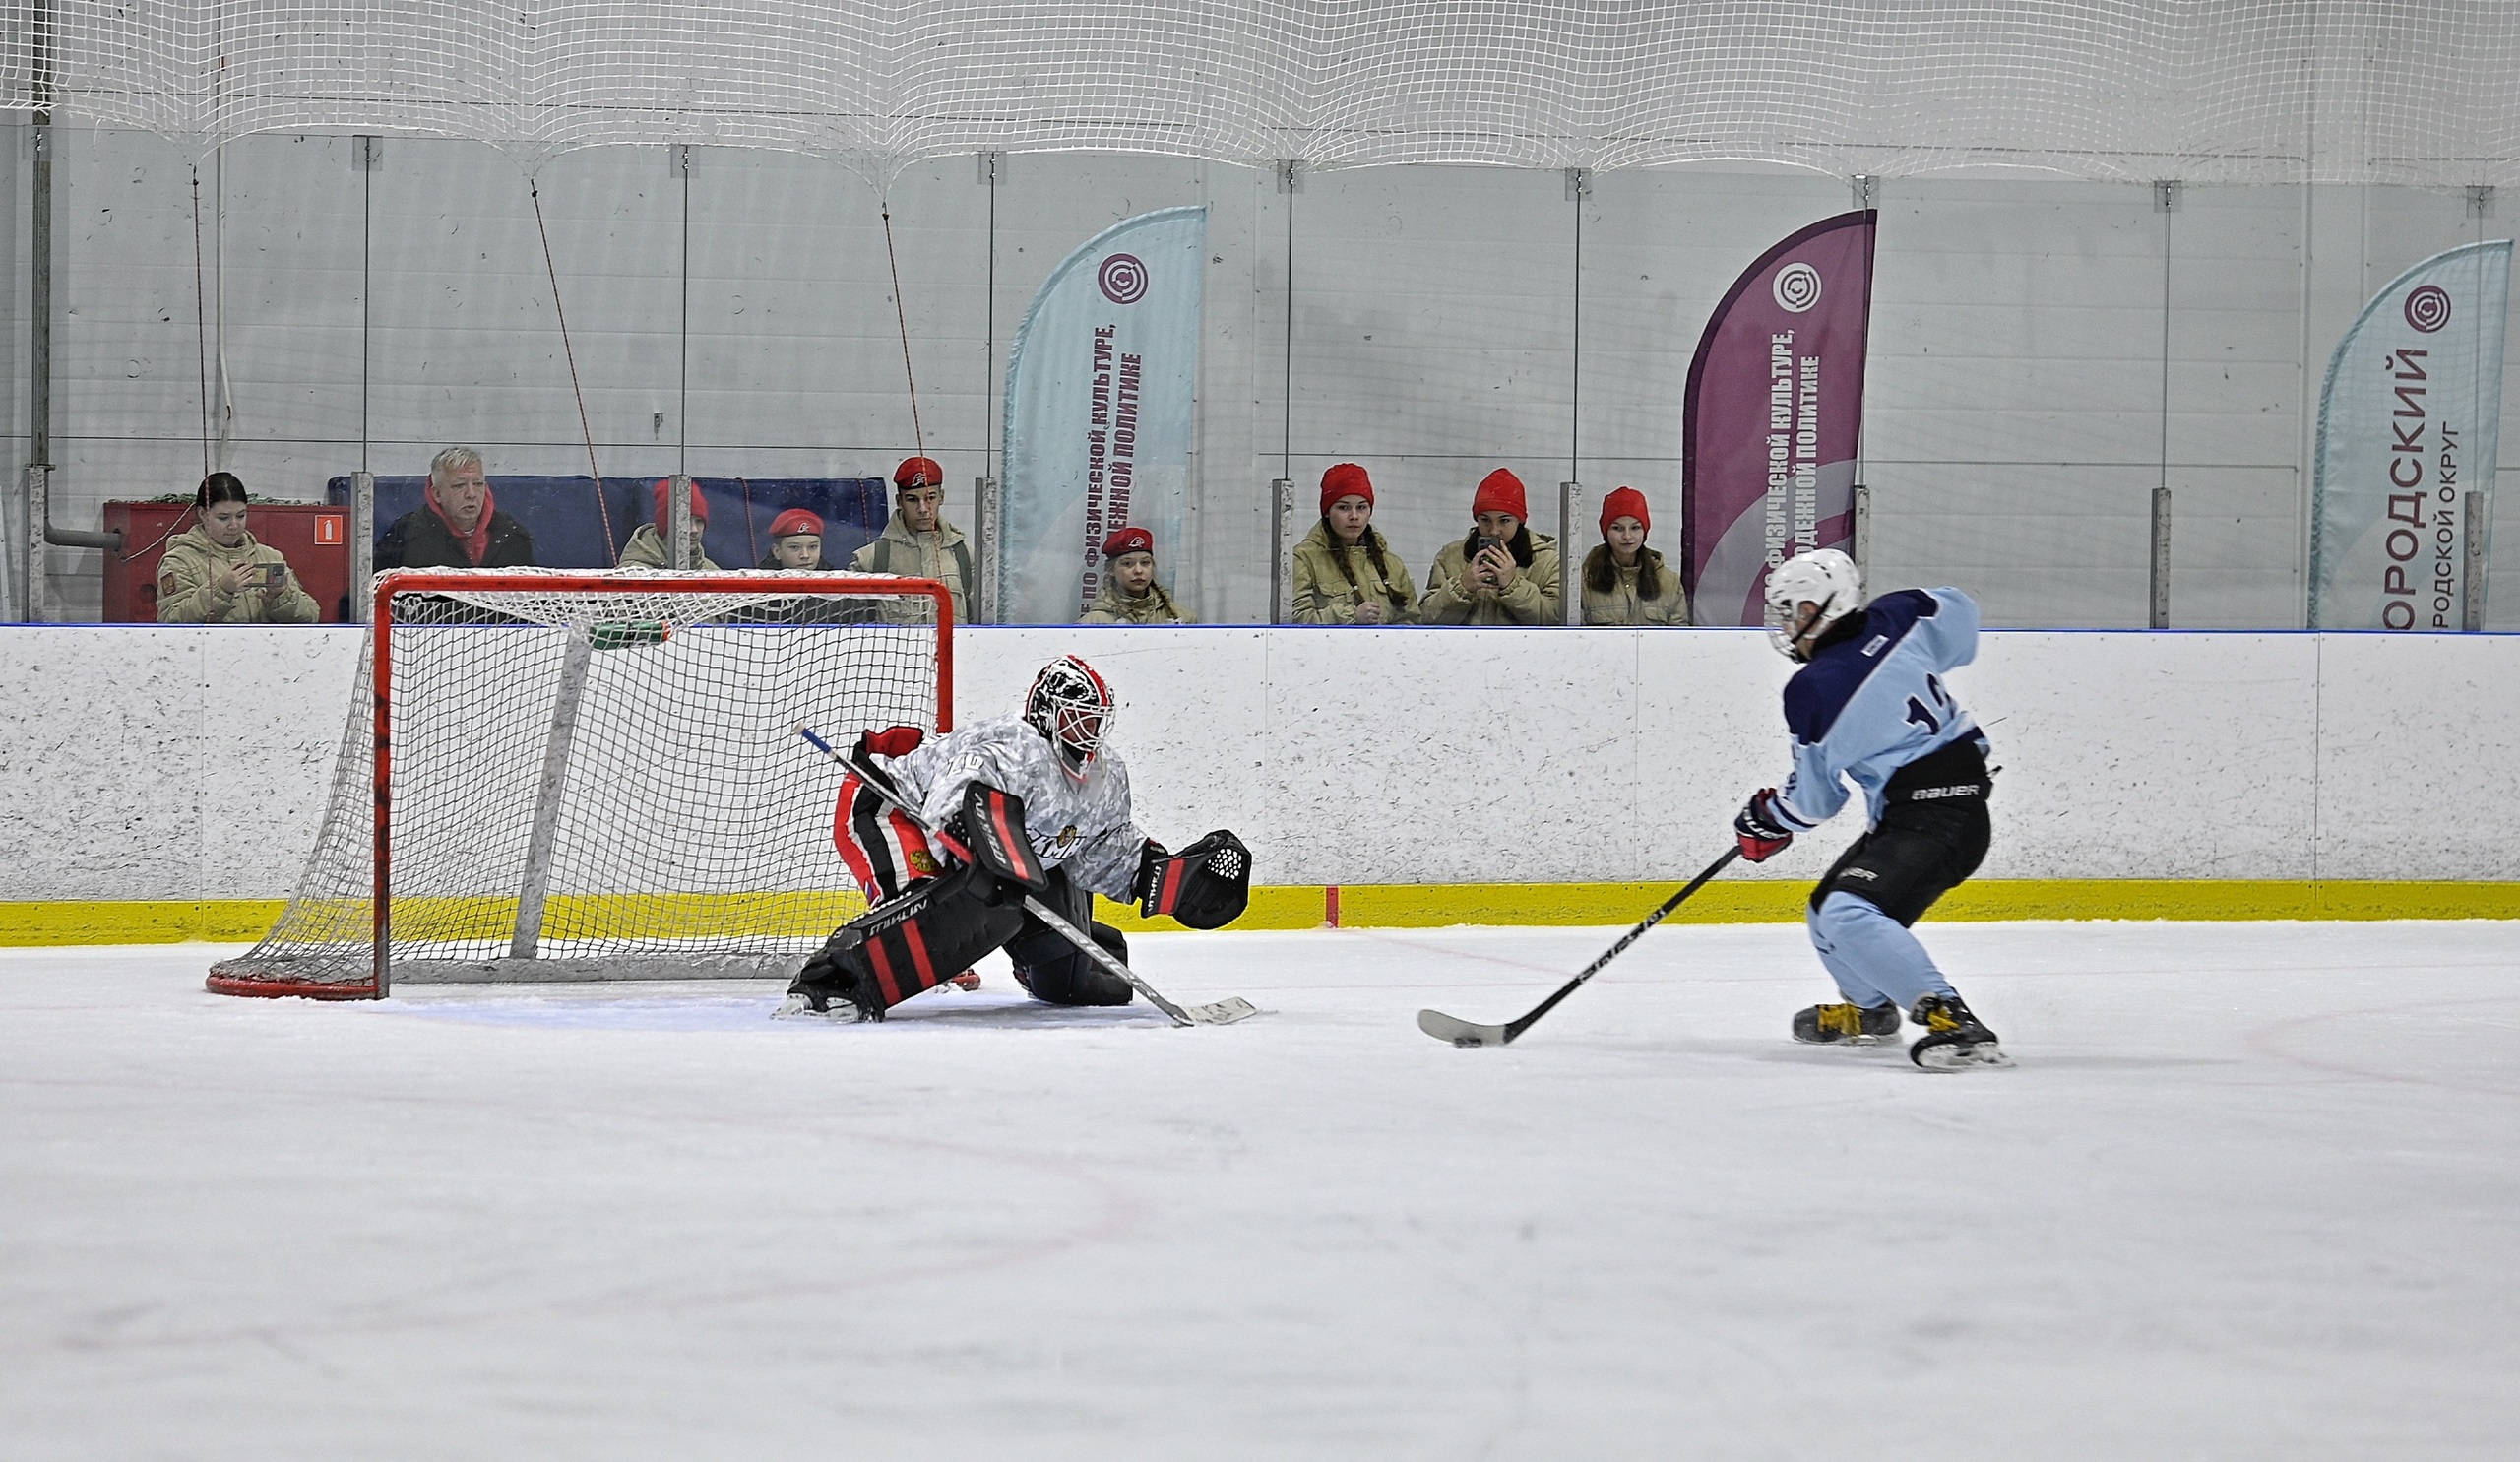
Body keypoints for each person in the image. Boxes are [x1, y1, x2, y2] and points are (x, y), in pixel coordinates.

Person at [781, 655, 1249, 1022]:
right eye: (1079, 717)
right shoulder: (1015, 744)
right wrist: (990, 855)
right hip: (892, 808)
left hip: (985, 845)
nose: (1090, 730)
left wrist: (1161, 879)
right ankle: (830, 982)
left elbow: (1100, 847)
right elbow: (954, 801)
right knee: (934, 901)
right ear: (1048, 712)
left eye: (1096, 719)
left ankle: (1027, 958)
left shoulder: (1107, 774)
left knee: (1076, 982)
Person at [1732, 548, 2008, 1071]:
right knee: (1825, 910)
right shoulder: (1899, 615)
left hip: (1936, 816)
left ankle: (1953, 1019)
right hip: (1944, 810)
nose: (1787, 625)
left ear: (1825, 607)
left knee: (1847, 912)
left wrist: (1767, 818)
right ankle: (1872, 1009)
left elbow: (1816, 801)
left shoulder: (1816, 687)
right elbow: (1961, 617)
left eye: (1794, 610)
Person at [156, 473, 322, 624]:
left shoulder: (270, 556)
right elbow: (171, 621)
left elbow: (311, 617)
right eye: (223, 517)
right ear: (202, 514)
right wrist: (221, 591)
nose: (234, 525)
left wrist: (281, 598)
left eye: (241, 515)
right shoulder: (179, 561)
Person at [1420, 468, 1561, 625]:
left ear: (1519, 521)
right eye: (1485, 520)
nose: (1494, 531)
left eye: (1504, 520)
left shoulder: (1548, 562)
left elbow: (1556, 620)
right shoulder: (1450, 557)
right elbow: (1427, 618)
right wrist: (1461, 587)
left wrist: (1513, 586)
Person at [848, 456, 973, 625]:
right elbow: (849, 631)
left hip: (954, 650)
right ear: (899, 501)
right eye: (912, 499)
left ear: (942, 497)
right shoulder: (870, 560)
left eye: (930, 498)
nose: (922, 509)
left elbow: (980, 624)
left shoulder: (966, 556)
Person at [1292, 463, 1417, 624]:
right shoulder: (1304, 558)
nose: (1354, 516)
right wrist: (1351, 617)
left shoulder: (1392, 564)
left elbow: (1411, 620)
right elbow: (1296, 620)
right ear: (1327, 512)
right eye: (1343, 507)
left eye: (1362, 507)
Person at [375, 446, 536, 569]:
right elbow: (366, 598)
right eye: (459, 486)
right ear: (437, 494)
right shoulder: (405, 535)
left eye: (478, 484)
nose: (471, 494)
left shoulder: (512, 534)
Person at [1580, 486, 1688, 626]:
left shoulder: (1669, 581)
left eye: (1635, 527)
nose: (1627, 536)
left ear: (1645, 530)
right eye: (1617, 528)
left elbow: (1680, 638)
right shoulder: (1584, 580)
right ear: (1606, 531)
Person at [1079, 527, 1195, 624]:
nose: (1138, 570)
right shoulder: (1093, 623)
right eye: (1127, 564)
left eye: (1145, 563)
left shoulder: (1184, 618)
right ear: (1111, 570)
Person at [618, 479, 719, 569]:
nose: (694, 530)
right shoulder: (634, 574)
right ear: (665, 526)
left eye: (699, 521)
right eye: (685, 521)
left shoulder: (710, 570)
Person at [758, 508, 836, 570]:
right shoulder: (758, 585)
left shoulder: (834, 582)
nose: (805, 555)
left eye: (813, 547)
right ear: (777, 552)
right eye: (795, 547)